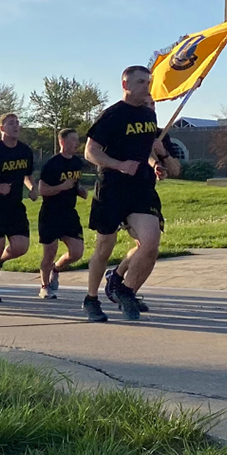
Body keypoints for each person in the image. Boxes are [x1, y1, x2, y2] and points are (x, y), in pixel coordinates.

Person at [83, 66, 180, 322]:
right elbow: (90, 151)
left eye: (148, 81)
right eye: (140, 82)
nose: (146, 85)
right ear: (125, 85)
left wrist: (155, 163)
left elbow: (146, 146)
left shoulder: (149, 116)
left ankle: (124, 291)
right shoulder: (112, 115)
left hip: (141, 189)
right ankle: (91, 299)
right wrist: (118, 164)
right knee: (105, 247)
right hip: (112, 187)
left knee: (150, 243)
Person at [102, 95, 179, 313]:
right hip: (121, 192)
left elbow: (176, 170)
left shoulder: (160, 135)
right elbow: (144, 154)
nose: (150, 108)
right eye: (146, 104)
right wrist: (154, 161)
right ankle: (121, 288)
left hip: (146, 195)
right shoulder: (126, 129)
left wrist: (163, 153)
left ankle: (122, 285)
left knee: (149, 248)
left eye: (153, 105)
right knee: (146, 244)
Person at [0, 113, 38, 304]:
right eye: (11, 123)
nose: (16, 126)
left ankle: (0, 262)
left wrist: (32, 188)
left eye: (17, 123)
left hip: (15, 206)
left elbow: (27, 175)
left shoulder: (24, 151)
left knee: (21, 247)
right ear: (1, 128)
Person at [36, 128, 87, 299]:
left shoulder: (77, 163)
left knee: (77, 252)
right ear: (62, 142)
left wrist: (79, 190)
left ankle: (56, 269)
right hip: (50, 213)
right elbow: (42, 190)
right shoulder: (52, 164)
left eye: (77, 140)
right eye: (73, 140)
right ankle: (44, 286)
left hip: (69, 213)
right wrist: (61, 187)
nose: (76, 144)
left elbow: (74, 184)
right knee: (49, 252)